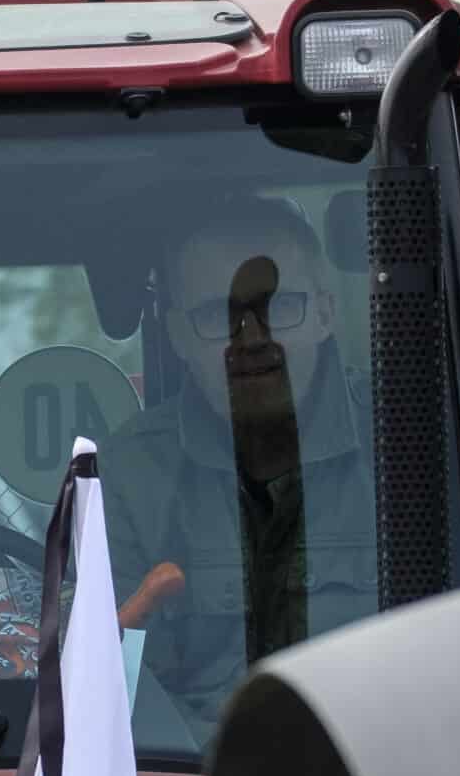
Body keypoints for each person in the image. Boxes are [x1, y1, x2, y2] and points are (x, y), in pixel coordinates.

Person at [103, 199, 376, 727]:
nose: (251, 341)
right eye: (215, 315)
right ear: (178, 335)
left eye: (279, 308)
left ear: (324, 313)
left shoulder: (405, 443)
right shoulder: (129, 477)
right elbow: (130, 703)